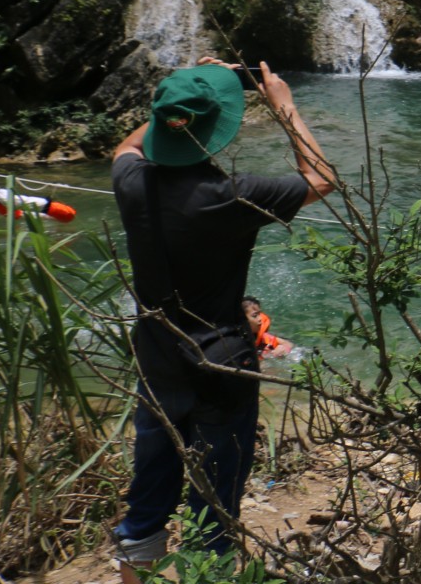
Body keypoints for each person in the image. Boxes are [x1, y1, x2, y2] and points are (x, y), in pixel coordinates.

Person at [110, 60, 334, 583]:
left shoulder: (131, 182)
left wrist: (179, 98)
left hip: (157, 363)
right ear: (215, 130)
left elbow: (127, 145)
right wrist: (283, 106)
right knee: (214, 508)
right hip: (223, 369)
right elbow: (322, 178)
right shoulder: (233, 196)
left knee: (147, 500)